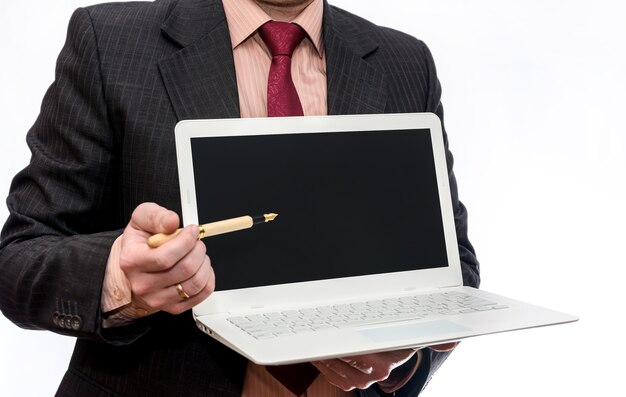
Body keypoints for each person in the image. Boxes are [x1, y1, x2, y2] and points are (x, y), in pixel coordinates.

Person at [0, 0, 480, 395]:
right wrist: (119, 279)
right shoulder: (109, 40)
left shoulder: (405, 62)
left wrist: (400, 356)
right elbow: (19, 258)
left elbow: (454, 265)